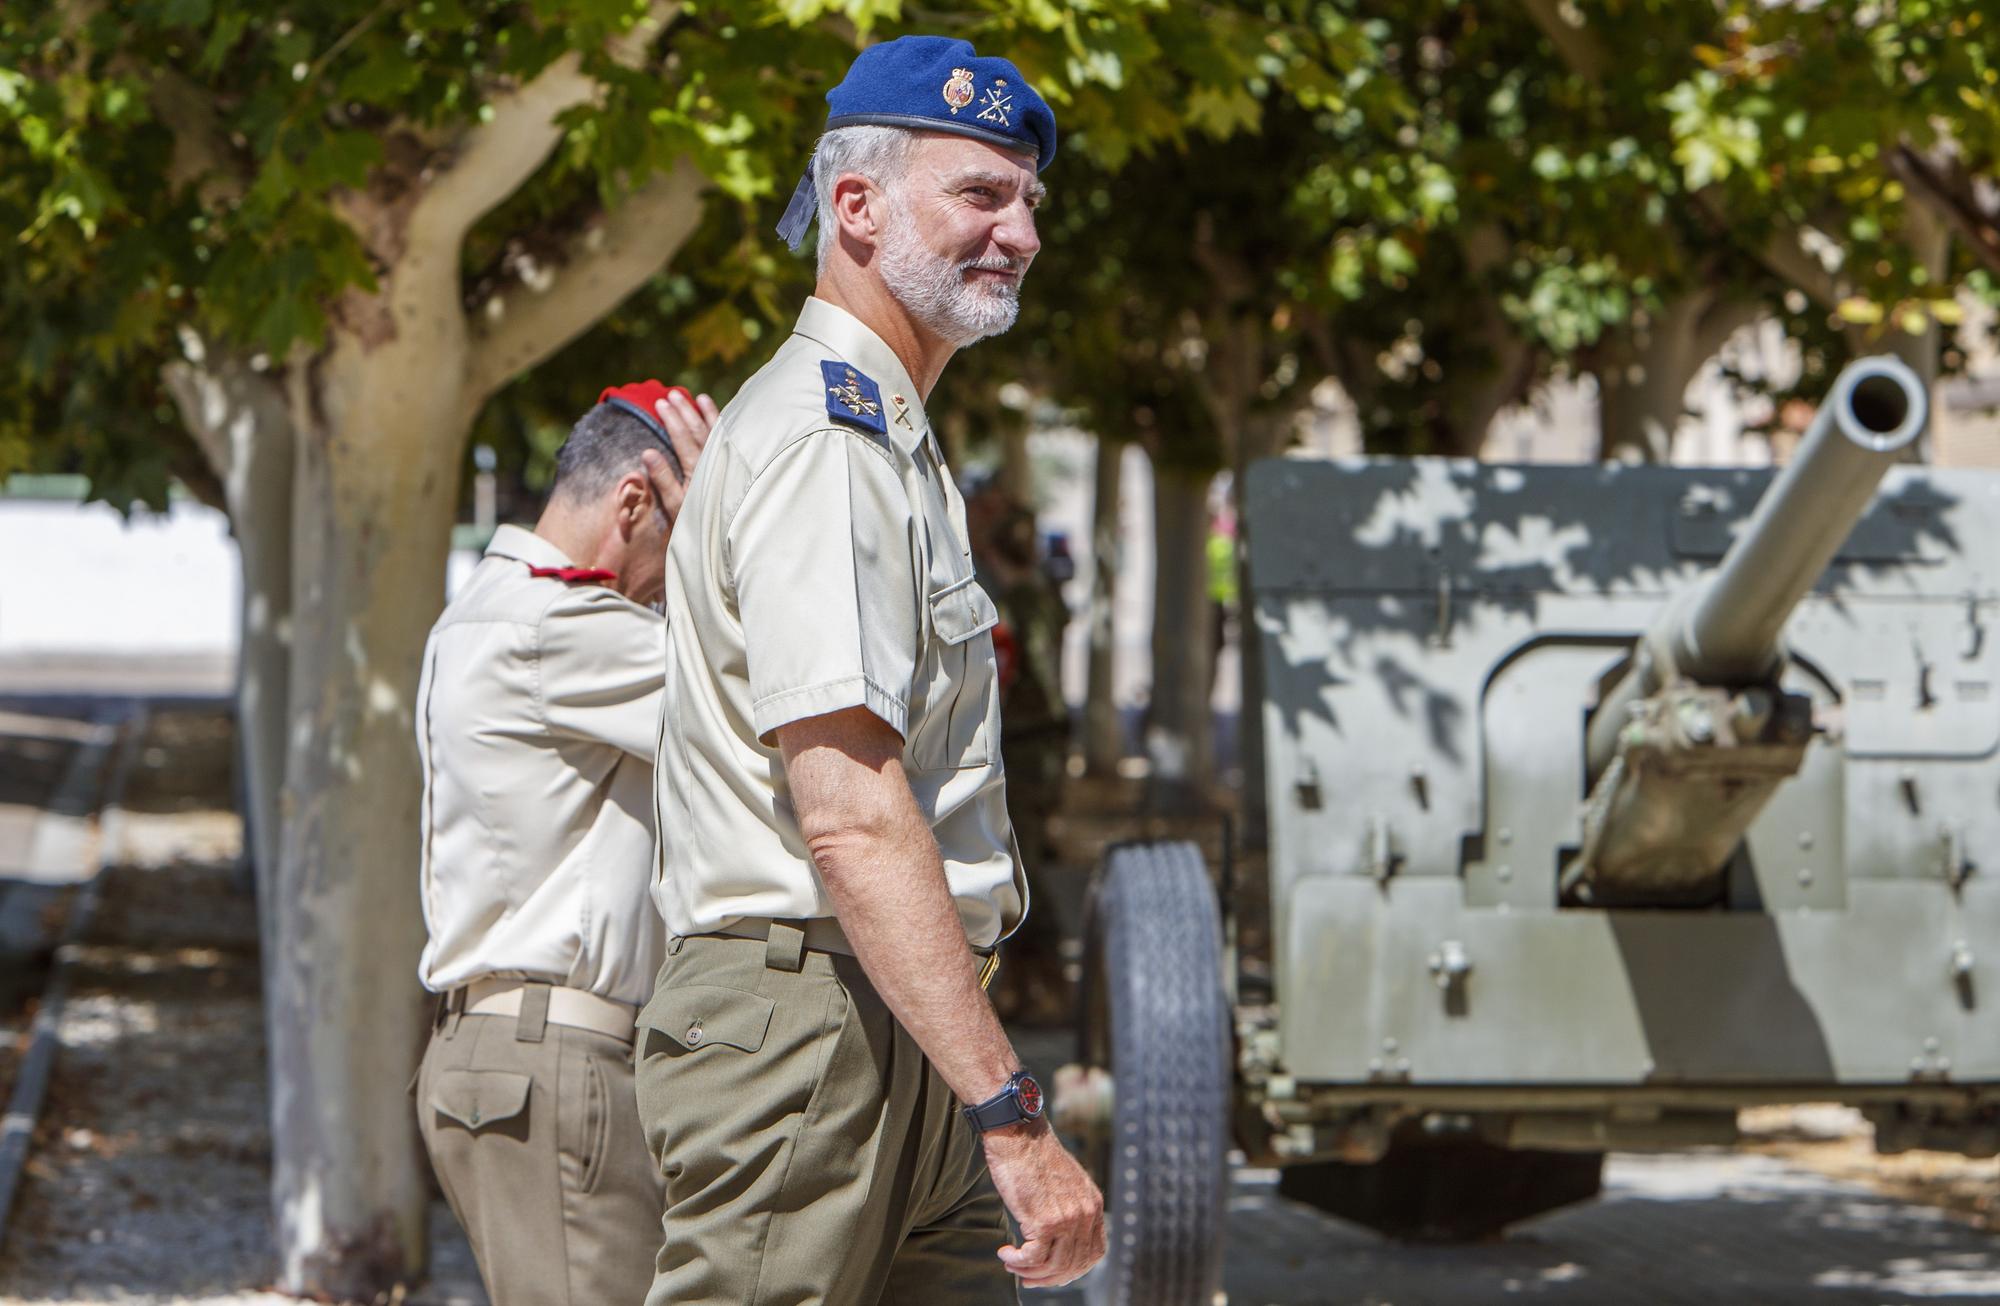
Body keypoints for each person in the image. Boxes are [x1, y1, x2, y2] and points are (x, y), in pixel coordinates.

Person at [641, 35, 1106, 1305]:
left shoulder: (889, 438)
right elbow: (846, 814)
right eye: (978, 193)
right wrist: (1012, 1117)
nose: (1017, 232)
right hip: (804, 1020)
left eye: (1026, 202)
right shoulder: (828, 438)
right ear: (856, 205)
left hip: (898, 1010)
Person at [411, 381, 714, 1306]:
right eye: (681, 534)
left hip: (521, 1052)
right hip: (552, 1054)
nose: (674, 574)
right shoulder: (556, 628)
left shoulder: (505, 610)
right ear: (634, 503)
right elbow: (759, 700)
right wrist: (730, 544)